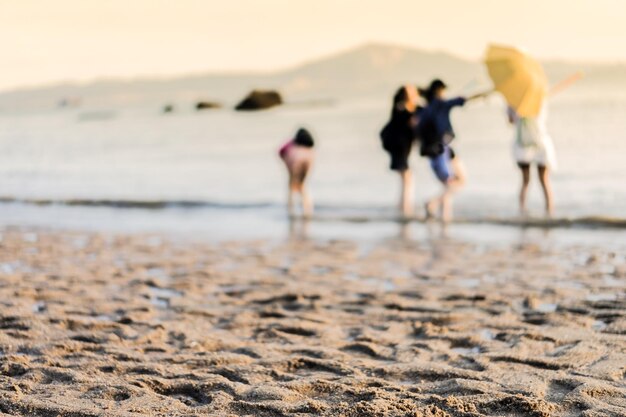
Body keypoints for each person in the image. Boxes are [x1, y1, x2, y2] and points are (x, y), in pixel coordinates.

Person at [417, 79, 490, 222]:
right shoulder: (441, 104)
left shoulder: (426, 109)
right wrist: (482, 95)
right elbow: (462, 100)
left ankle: (445, 220)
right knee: (455, 184)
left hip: (440, 151)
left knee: (450, 185)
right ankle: (433, 204)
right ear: (439, 91)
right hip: (441, 151)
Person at [379, 85, 421, 217]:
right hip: (399, 149)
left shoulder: (403, 109)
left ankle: (403, 207)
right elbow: (412, 120)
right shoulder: (401, 109)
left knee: (406, 178)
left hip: (401, 149)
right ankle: (405, 209)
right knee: (407, 178)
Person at [507, 106, 556, 216]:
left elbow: (510, 121)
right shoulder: (537, 98)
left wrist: (519, 113)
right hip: (535, 143)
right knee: (542, 180)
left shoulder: (514, 101)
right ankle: (548, 211)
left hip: (527, 144)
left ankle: (525, 211)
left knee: (527, 180)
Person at [278, 128, 315, 217]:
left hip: (293, 161)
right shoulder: (307, 147)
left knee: (291, 187)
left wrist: (287, 167)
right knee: (302, 186)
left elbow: (280, 152)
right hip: (308, 160)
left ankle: (291, 212)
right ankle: (307, 212)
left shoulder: (291, 145)